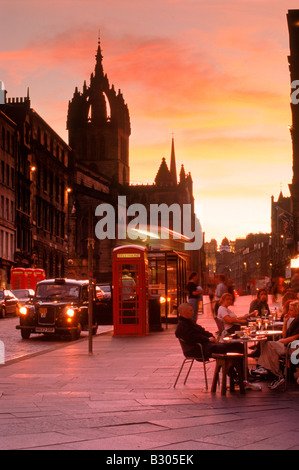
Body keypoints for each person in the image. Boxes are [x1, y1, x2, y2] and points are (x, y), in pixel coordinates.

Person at [251, 300, 299, 390]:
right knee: (269, 345)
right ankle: (269, 370)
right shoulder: (294, 320)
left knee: (269, 345)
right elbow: (285, 335)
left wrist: (280, 341)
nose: (288, 312)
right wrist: (285, 322)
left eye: (291, 310)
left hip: (294, 348)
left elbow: (295, 337)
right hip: (289, 345)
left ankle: (274, 372)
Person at [175, 303, 243, 359]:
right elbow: (193, 338)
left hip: (204, 346)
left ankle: (234, 372)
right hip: (198, 349)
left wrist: (211, 337)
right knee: (236, 346)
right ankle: (238, 373)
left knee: (236, 346)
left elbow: (203, 331)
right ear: (184, 312)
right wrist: (208, 339)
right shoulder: (182, 325)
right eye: (191, 310)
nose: (193, 312)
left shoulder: (189, 322)